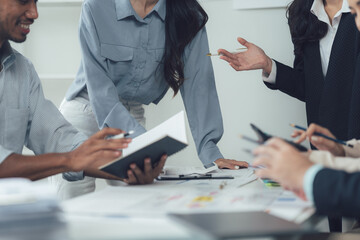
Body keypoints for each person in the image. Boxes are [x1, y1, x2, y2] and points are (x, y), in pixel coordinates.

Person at [50, 0, 249, 199]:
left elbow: (199, 86)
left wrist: (211, 153)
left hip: (132, 114)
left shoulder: (189, 15)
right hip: (85, 113)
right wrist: (143, 142)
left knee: (135, 207)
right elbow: (100, 91)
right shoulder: (95, 7)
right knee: (70, 207)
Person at [219, 0, 359, 231]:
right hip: (325, 142)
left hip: (353, 142)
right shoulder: (303, 12)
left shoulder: (356, 11)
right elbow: (311, 88)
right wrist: (268, 65)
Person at [0, 0, 166, 185]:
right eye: (23, 1)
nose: (34, 13)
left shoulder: (23, 71)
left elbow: (57, 138)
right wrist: (70, 160)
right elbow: (70, 157)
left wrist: (128, 166)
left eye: (36, 2)